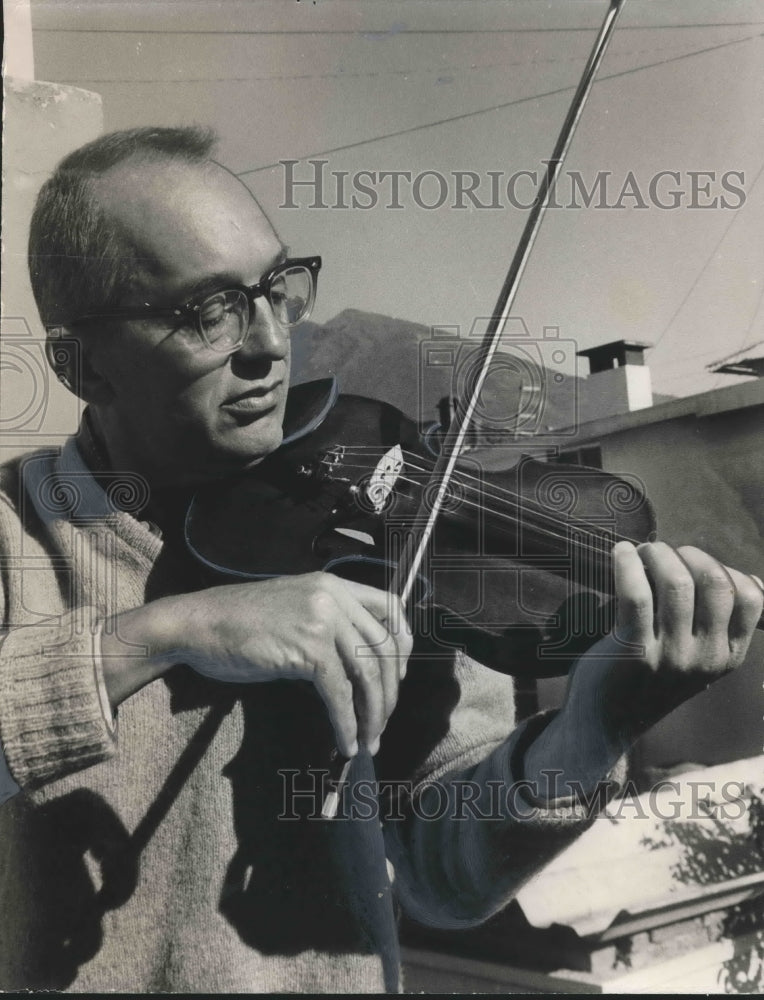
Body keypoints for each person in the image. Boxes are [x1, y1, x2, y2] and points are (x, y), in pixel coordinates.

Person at [0, 126, 760, 993]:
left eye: (275, 288)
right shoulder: (13, 533)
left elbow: (447, 876)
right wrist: (162, 633)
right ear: (81, 365)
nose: (271, 342)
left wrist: (590, 734)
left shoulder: (382, 541)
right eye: (207, 311)